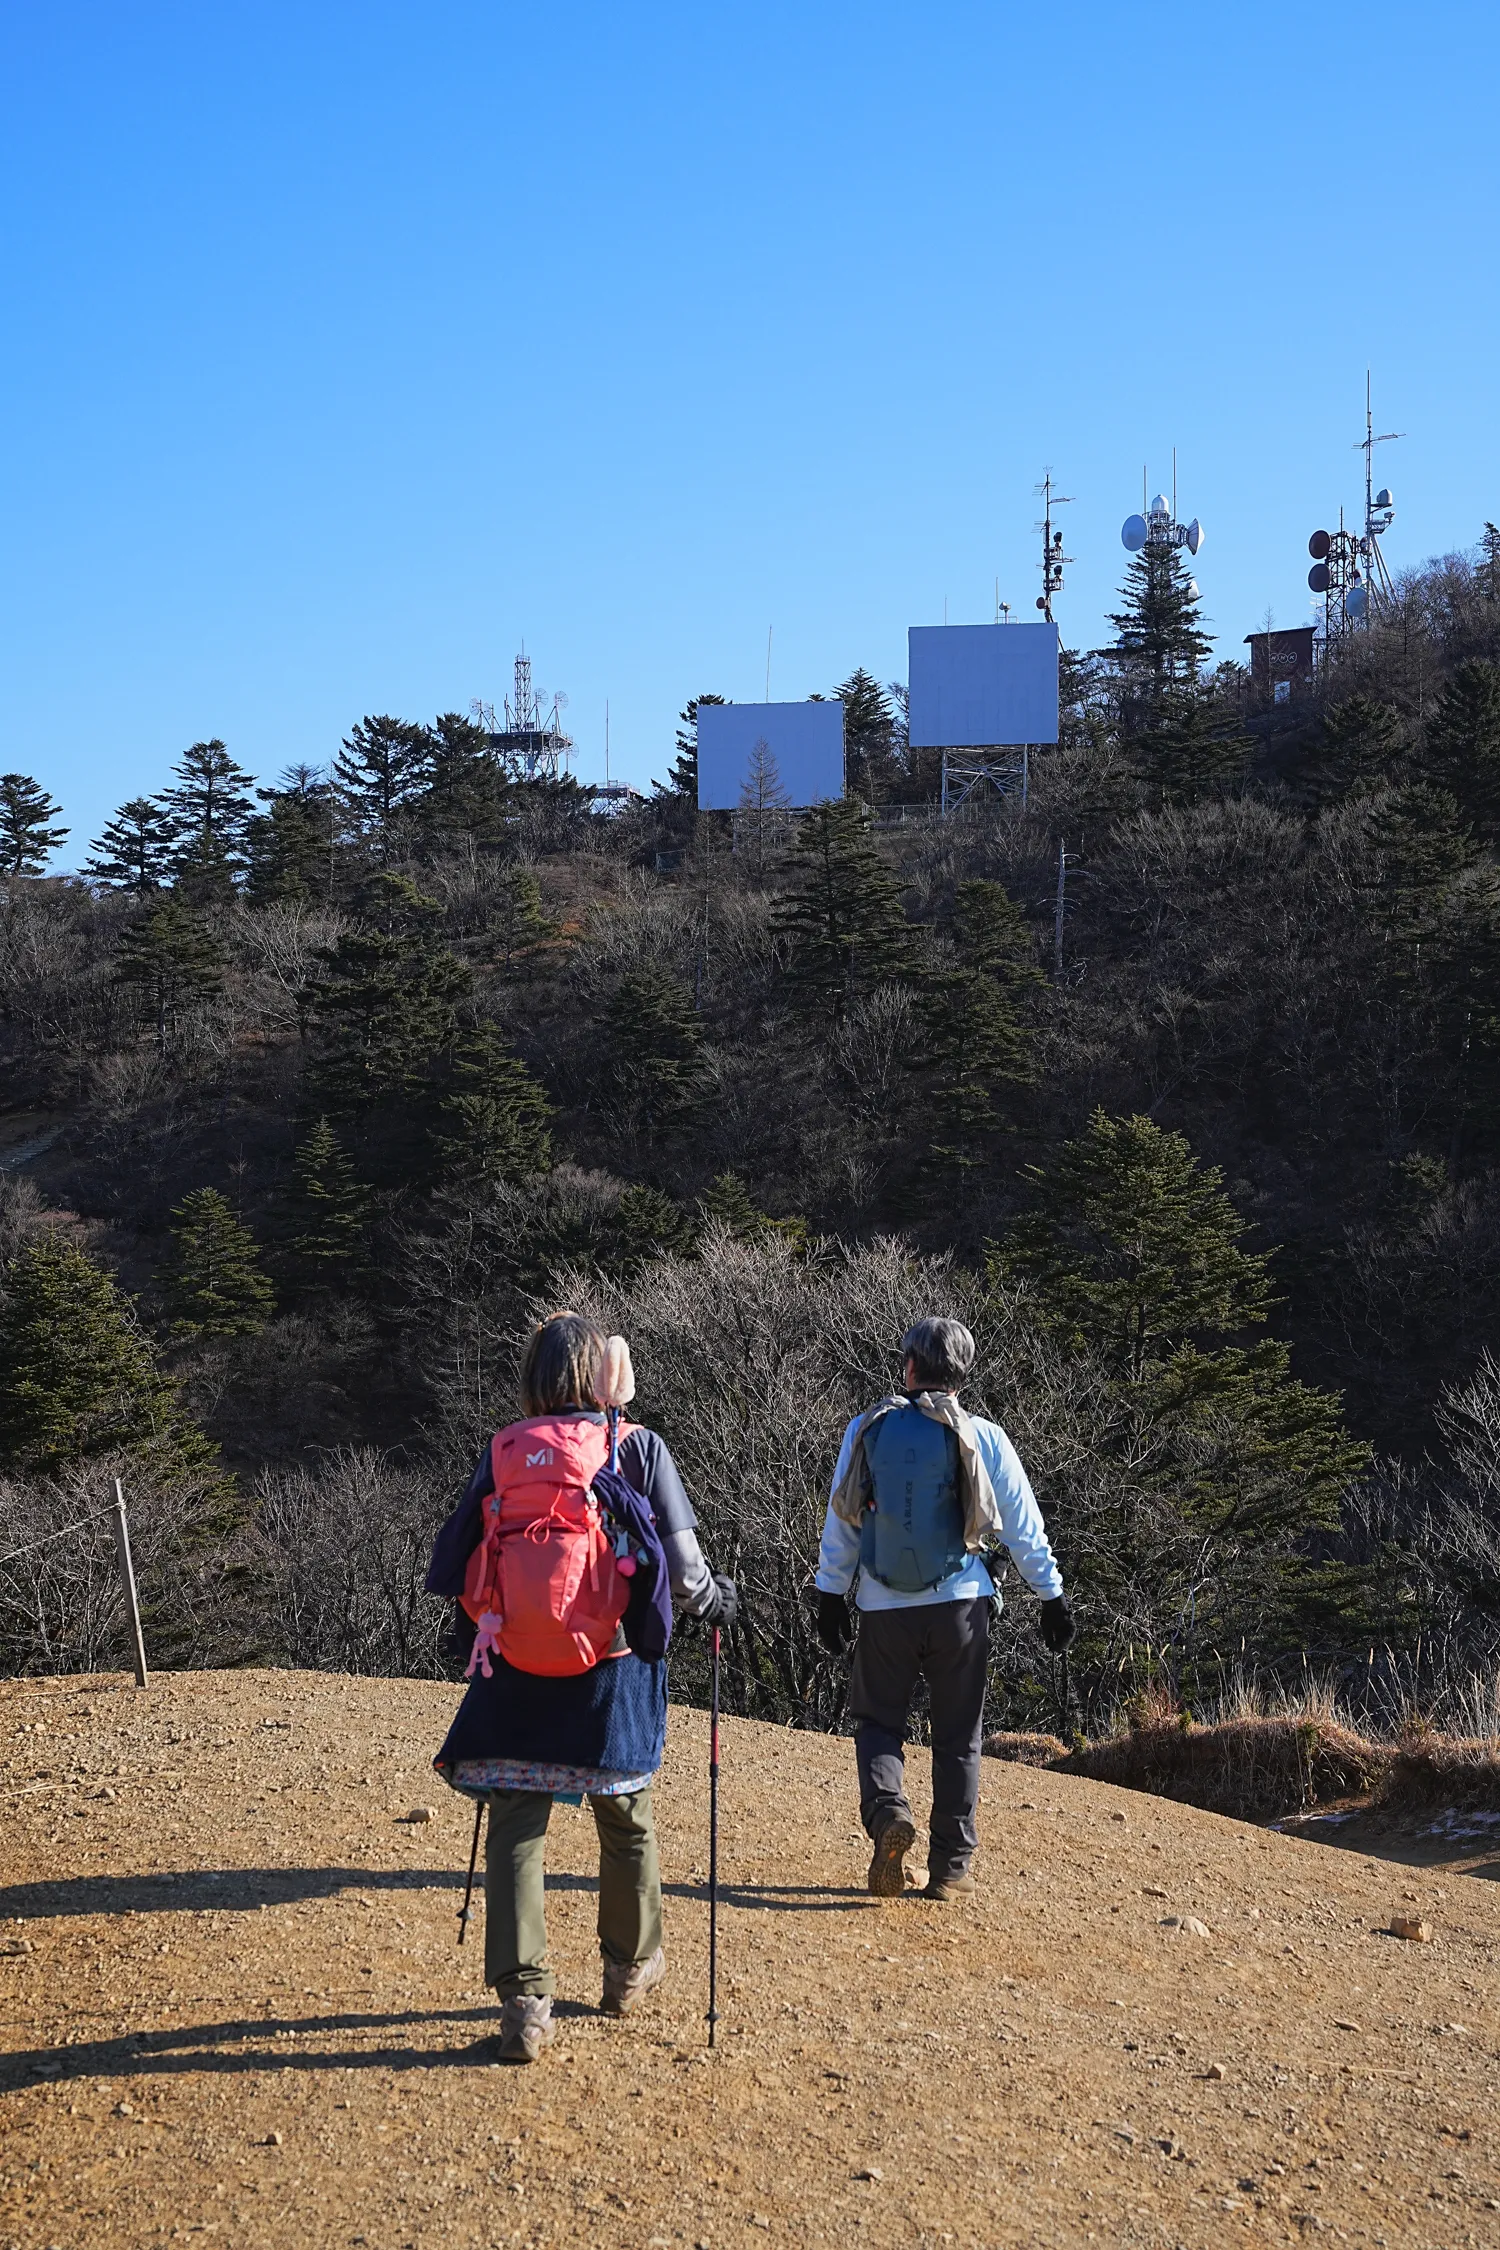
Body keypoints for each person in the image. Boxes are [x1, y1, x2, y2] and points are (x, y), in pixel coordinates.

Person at [427, 1311, 737, 2063]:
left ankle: (524, 2001)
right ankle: (628, 1971)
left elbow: (462, 1548)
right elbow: (686, 1571)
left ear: (533, 1378)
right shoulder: (636, 1446)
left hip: (516, 1661)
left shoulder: (506, 1449)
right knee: (624, 1814)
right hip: (611, 1660)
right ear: (609, 1376)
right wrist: (717, 1600)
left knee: (516, 1826)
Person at [814, 1315, 1073, 1903]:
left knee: (879, 1723)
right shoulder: (984, 1436)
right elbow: (1023, 1529)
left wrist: (830, 1593)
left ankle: (887, 1818)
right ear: (963, 1372)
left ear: (909, 1367)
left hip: (884, 1607)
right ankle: (950, 1869)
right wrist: (1051, 1597)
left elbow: (844, 1519)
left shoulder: (867, 1428)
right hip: (962, 1608)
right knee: (960, 1737)